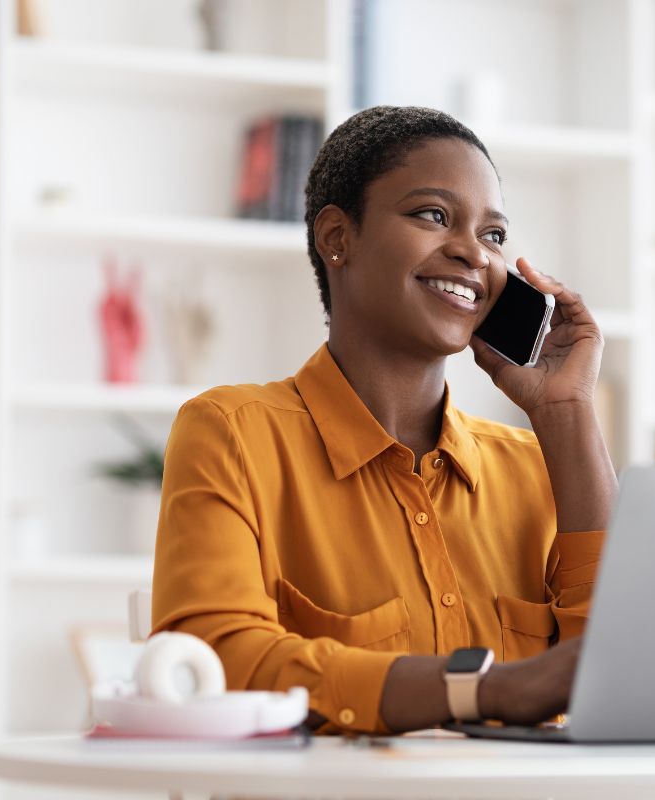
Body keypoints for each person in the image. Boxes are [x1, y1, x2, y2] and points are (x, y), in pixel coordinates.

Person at [151, 106, 616, 735]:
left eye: (494, 235)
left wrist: (568, 413)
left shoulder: (536, 469)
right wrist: (485, 689)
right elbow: (213, 661)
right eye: (433, 215)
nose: (472, 253)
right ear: (338, 237)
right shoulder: (233, 434)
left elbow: (622, 679)